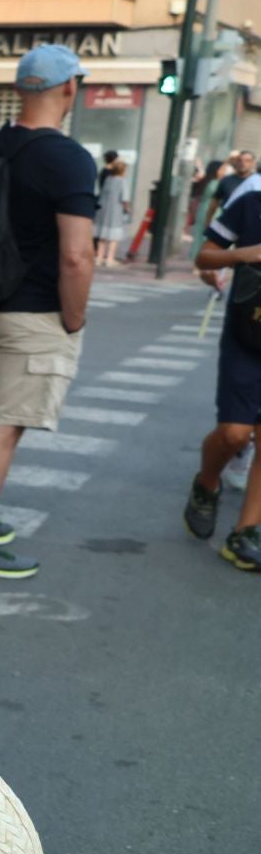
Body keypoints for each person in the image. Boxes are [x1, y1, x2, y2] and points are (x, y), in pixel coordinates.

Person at [0, 45, 95, 580]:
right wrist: (74, 318)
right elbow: (77, 253)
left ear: (19, 88)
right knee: (2, 428)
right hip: (35, 312)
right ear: (69, 88)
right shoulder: (68, 158)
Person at [184, 185, 261, 569]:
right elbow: (205, 256)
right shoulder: (252, 202)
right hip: (248, 334)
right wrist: (244, 255)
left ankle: (244, 533)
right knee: (234, 433)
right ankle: (207, 482)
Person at [93, 150, 131, 267]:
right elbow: (125, 198)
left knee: (102, 236)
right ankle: (109, 259)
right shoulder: (122, 181)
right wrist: (128, 209)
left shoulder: (108, 179)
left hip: (103, 210)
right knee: (114, 237)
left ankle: (99, 257)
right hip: (115, 211)